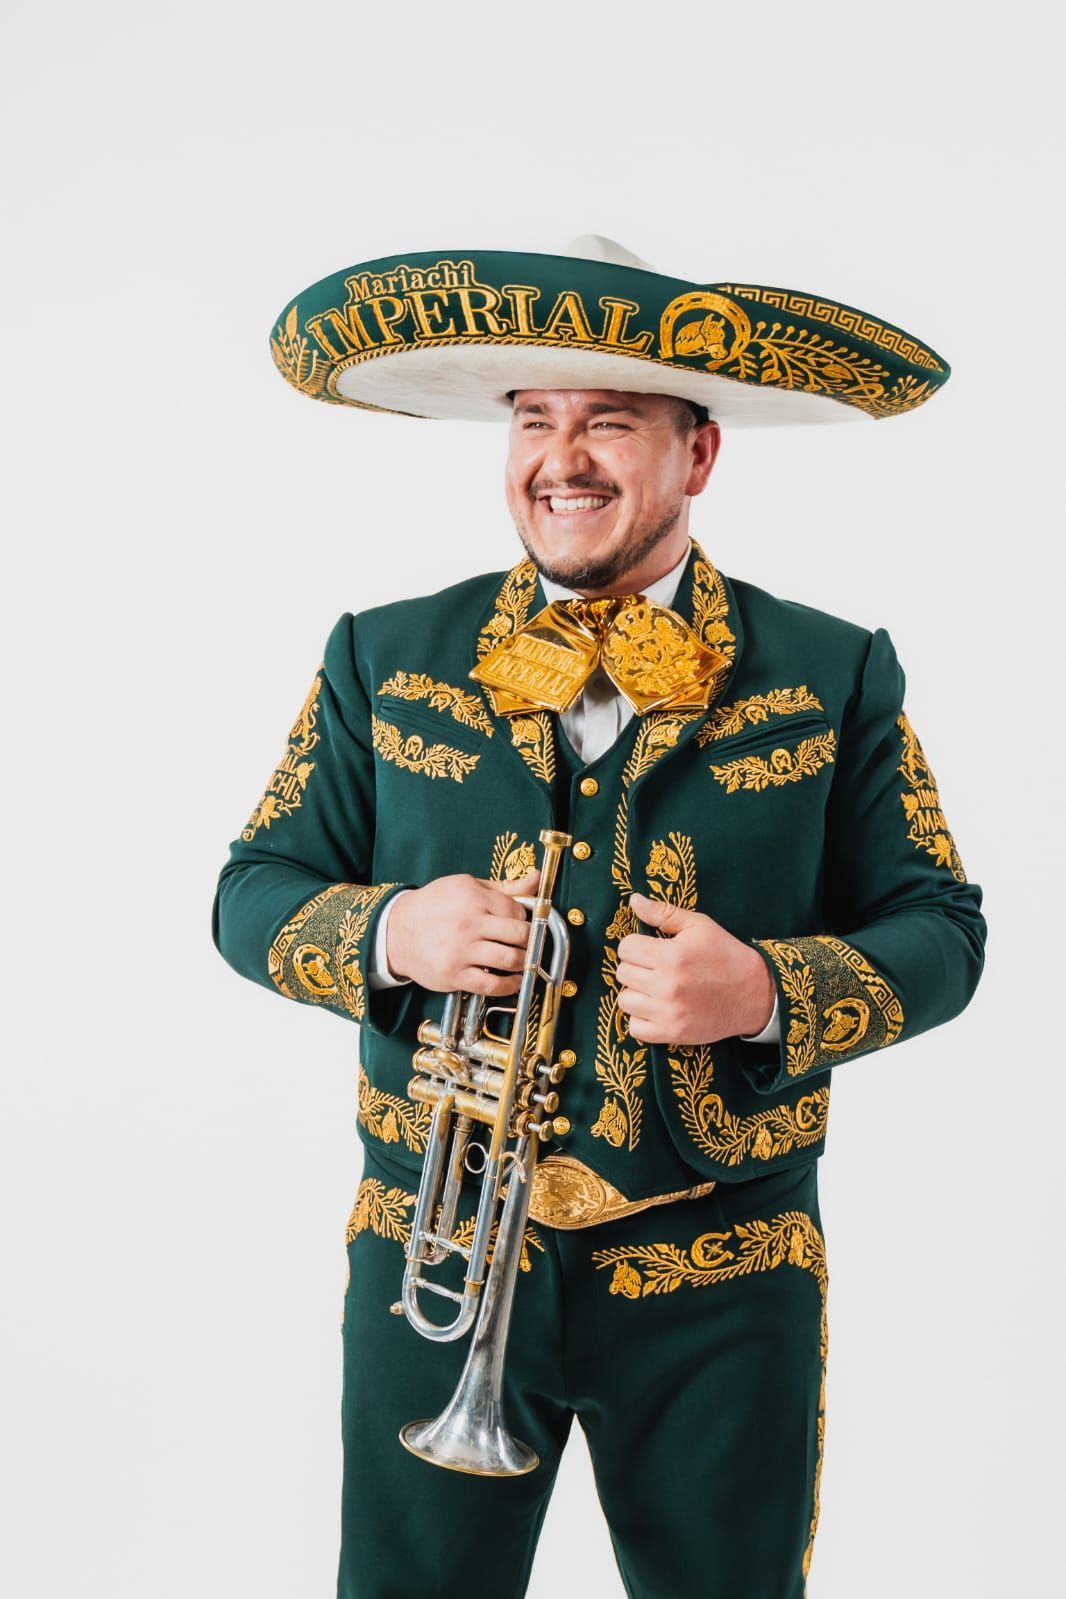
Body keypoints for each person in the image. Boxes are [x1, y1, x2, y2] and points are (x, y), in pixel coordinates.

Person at [213, 237, 986, 1598]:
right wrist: (394, 935)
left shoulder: (831, 669)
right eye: (532, 423)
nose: (559, 459)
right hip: (429, 1266)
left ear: (695, 458)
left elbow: (939, 928)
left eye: (608, 424)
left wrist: (764, 993)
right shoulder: (380, 657)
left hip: (723, 1275)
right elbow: (251, 893)